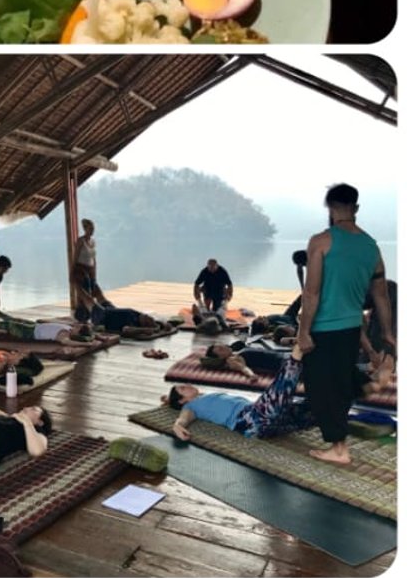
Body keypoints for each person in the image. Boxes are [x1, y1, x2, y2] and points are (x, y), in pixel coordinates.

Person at [296, 183, 393, 465]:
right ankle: (368, 386)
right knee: (339, 377)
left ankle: (339, 448)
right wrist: (387, 333)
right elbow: (381, 295)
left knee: (321, 387)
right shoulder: (371, 246)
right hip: (351, 327)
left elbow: (311, 292)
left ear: (330, 208)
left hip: (324, 327)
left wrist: (303, 331)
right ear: (356, 208)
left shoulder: (321, 241)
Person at [164, 356, 312, 441]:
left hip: (264, 422)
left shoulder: (203, 397)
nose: (187, 385)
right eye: (183, 388)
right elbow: (183, 419)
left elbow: (169, 399)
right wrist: (177, 426)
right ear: (182, 400)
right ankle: (295, 358)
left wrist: (167, 399)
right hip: (248, 420)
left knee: (310, 408)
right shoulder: (190, 407)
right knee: (279, 392)